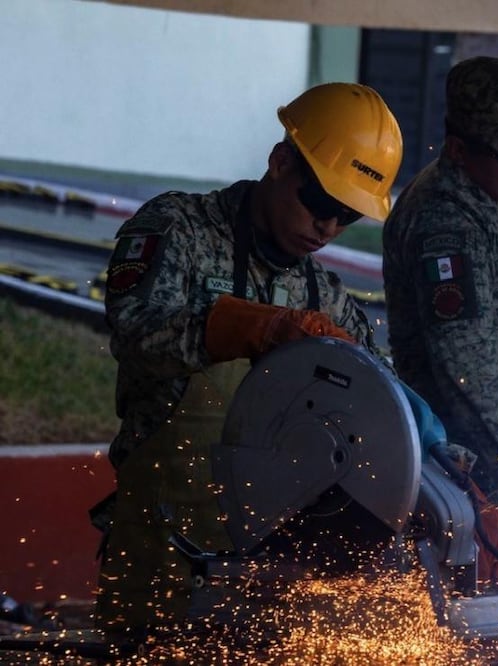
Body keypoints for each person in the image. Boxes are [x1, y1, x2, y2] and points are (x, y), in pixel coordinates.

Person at [93, 82, 404, 633]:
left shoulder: (324, 294)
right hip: (165, 538)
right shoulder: (179, 229)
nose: (329, 227)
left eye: (347, 216)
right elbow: (135, 332)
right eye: (321, 204)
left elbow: (382, 400)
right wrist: (250, 328)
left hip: (273, 559)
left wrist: (438, 450)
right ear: (281, 162)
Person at [382, 56, 498, 587]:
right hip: (471, 487)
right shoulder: (447, 219)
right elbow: (469, 367)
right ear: (459, 149)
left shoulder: (493, 195)